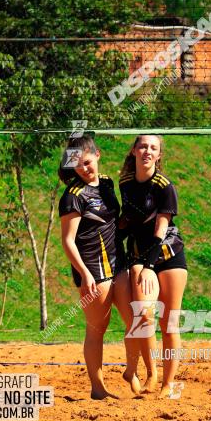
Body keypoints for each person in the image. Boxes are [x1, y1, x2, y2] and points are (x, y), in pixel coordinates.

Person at [58, 134, 146, 399]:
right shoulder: (73, 196)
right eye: (79, 165)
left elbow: (110, 221)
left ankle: (131, 371)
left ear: (98, 155)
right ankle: (98, 388)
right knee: (97, 328)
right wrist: (84, 275)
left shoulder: (107, 183)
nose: (86, 169)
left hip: (118, 263)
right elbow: (67, 241)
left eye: (88, 162)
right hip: (93, 271)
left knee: (136, 321)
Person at [119, 134, 187, 396]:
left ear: (159, 156)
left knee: (169, 323)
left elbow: (160, 230)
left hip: (168, 254)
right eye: (143, 146)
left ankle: (169, 385)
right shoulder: (125, 183)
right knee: (144, 314)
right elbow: (128, 220)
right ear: (135, 151)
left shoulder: (164, 186)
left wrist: (149, 265)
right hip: (139, 255)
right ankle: (152, 373)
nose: (147, 150)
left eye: (153, 148)